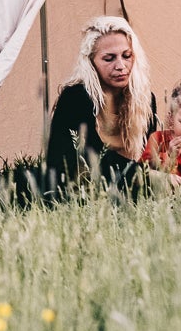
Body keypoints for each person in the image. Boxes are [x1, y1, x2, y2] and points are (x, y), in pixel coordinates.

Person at [42, 15, 158, 199]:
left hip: (131, 192)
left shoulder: (145, 100)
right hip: (80, 193)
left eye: (127, 56)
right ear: (91, 62)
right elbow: (92, 163)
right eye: (109, 59)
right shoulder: (76, 98)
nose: (121, 66)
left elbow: (148, 158)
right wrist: (152, 178)